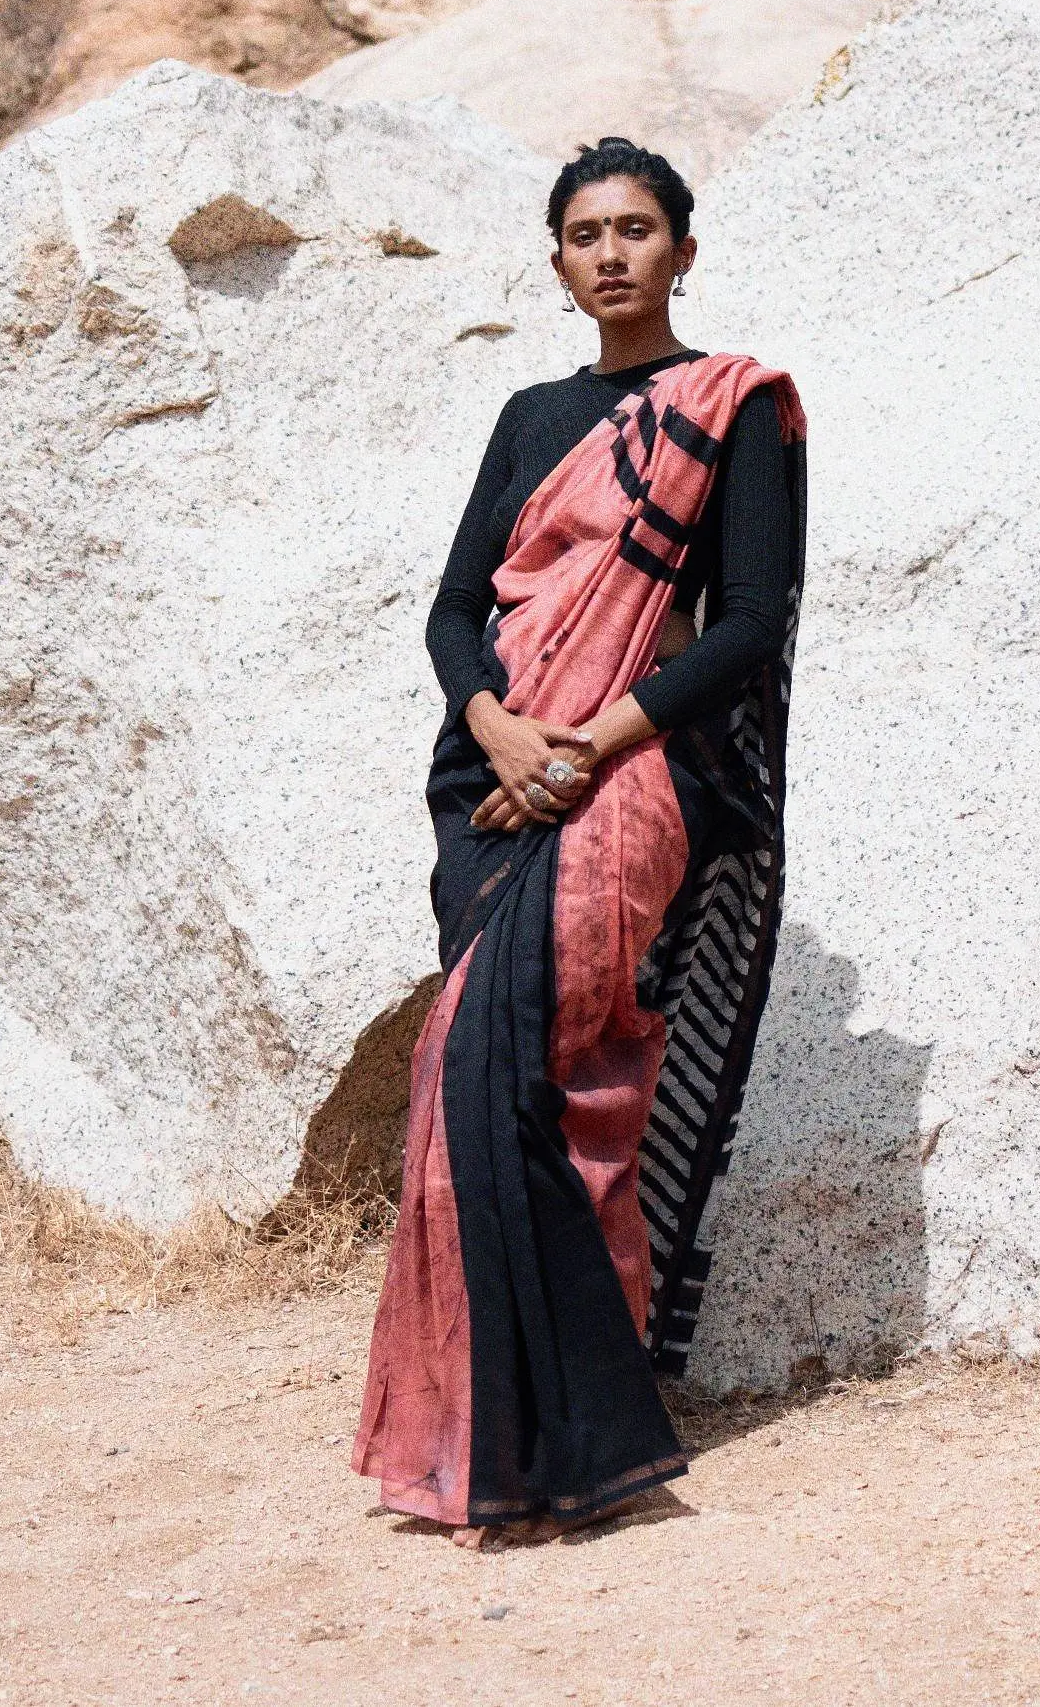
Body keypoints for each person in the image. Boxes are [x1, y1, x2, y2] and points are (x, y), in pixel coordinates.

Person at [354, 135, 808, 1545]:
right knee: (471, 1078)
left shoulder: (734, 409)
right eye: (584, 234)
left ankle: (573, 1440)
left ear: (683, 246)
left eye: (636, 228)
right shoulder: (529, 417)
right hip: (496, 778)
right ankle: (515, 1436)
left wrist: (585, 749)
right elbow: (449, 612)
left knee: (540, 1067)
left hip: (631, 776)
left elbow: (745, 623)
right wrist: (498, 731)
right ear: (557, 264)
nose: (610, 252)